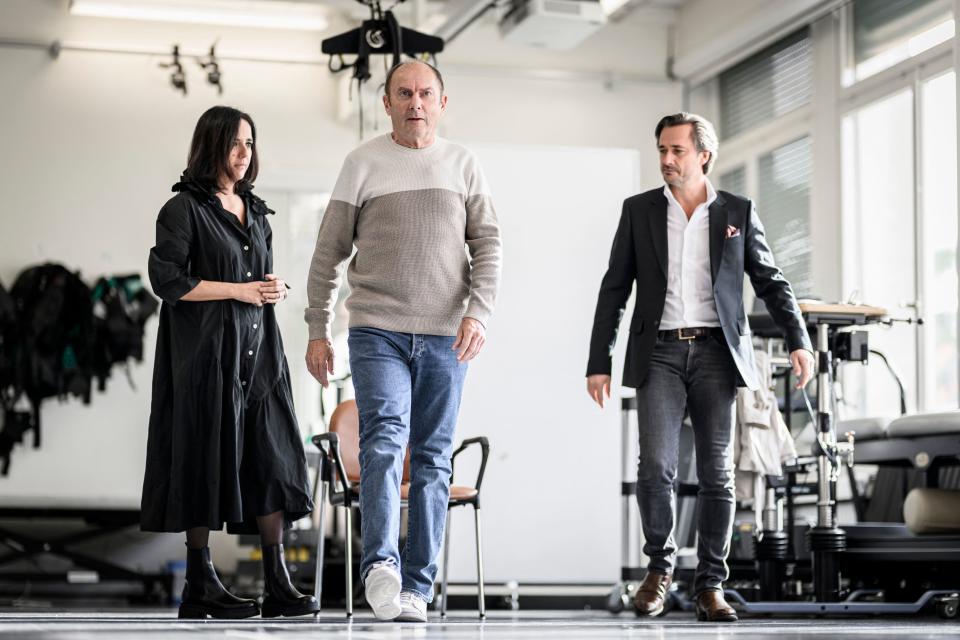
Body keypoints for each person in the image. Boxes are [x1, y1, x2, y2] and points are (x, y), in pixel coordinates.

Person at [585, 112, 814, 622]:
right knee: (656, 467)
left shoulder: (737, 210)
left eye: (677, 151)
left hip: (716, 353)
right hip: (659, 352)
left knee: (718, 473)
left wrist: (799, 340)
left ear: (703, 155)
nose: (667, 160)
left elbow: (771, 281)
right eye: (662, 150)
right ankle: (659, 570)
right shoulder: (640, 211)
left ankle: (711, 585)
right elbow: (614, 288)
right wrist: (598, 360)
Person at [305, 61, 502, 622]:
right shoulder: (362, 163)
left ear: (442, 102)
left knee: (435, 456)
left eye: (425, 93)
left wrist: (479, 314)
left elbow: (488, 244)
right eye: (404, 93)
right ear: (386, 102)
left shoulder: (463, 164)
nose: (415, 102)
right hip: (376, 329)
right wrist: (318, 329)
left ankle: (418, 587)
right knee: (385, 440)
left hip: (447, 335)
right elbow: (327, 255)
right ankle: (380, 567)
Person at [142, 106, 318, 620]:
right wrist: (240, 291)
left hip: (259, 356)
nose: (245, 154)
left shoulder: (256, 211)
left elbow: (254, 280)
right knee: (201, 458)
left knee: (272, 458)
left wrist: (270, 288)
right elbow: (169, 282)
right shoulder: (182, 210)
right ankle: (199, 583)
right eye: (236, 143)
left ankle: (278, 581)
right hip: (205, 358)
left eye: (250, 143)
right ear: (211, 146)